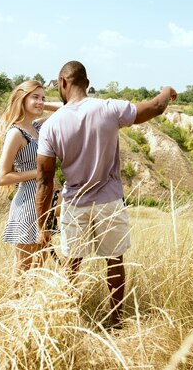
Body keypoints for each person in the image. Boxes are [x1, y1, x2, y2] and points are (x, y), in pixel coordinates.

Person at [35, 60, 176, 329]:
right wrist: (167, 90)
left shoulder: (51, 126)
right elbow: (157, 106)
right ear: (87, 84)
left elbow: (45, 181)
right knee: (114, 262)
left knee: (71, 264)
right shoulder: (109, 109)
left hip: (74, 203)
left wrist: (42, 225)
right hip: (109, 201)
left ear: (63, 83)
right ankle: (115, 322)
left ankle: (66, 319)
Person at [0, 80, 63, 278]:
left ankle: (30, 305)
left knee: (39, 264)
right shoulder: (16, 133)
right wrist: (40, 172)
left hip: (45, 199)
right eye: (35, 97)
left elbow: (66, 108)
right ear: (21, 99)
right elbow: (2, 177)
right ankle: (16, 305)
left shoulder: (36, 127)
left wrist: (43, 104)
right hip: (27, 202)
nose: (40, 102)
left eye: (43, 97)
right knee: (24, 266)